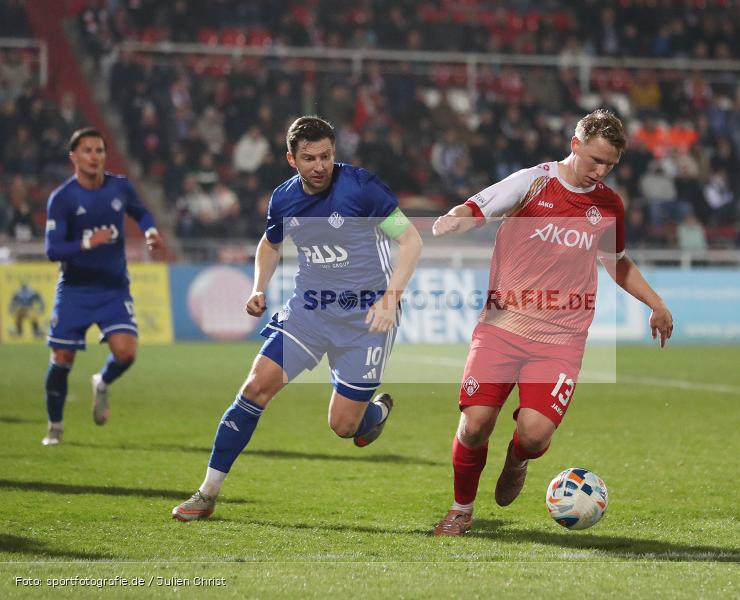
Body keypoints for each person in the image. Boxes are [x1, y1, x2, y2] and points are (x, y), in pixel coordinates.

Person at [430, 109, 674, 535]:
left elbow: (616, 263)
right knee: (474, 425)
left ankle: (518, 459)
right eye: (594, 160)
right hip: (503, 326)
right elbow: (477, 206)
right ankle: (460, 509)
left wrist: (656, 303)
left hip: (560, 338)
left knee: (535, 434)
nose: (600, 171)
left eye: (610, 165)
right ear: (574, 144)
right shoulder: (532, 182)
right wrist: (455, 220)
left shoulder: (608, 205)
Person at [172, 116, 423, 521]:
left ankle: (373, 414)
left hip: (367, 318)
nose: (319, 165)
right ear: (292, 159)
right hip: (310, 310)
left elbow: (410, 239)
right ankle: (206, 493)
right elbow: (270, 244)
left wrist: (391, 299)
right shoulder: (284, 199)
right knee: (255, 387)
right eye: (309, 158)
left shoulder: (363, 189)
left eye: (325, 156)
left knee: (343, 425)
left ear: (334, 152)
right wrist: (258, 287)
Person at [42, 127, 163, 445]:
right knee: (62, 360)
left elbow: (141, 212)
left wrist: (150, 231)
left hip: (113, 288)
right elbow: (53, 250)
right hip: (75, 289)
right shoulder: (63, 199)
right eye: (87, 151)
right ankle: (55, 426)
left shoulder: (119, 187)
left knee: (126, 353)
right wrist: (86, 242)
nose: (94, 156)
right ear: (74, 157)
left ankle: (102, 381)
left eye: (99, 150)